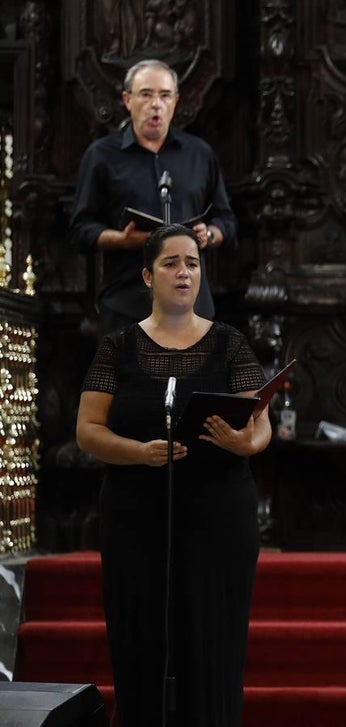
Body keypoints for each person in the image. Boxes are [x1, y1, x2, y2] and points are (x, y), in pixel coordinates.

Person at [75, 224, 270, 727]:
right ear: (147, 275)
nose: (184, 273)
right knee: (141, 637)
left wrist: (245, 443)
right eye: (171, 263)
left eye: (192, 264)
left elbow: (259, 422)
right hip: (137, 513)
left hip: (218, 514)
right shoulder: (117, 346)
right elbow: (88, 431)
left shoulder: (230, 343)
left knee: (214, 642)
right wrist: (139, 453)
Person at [69, 58, 237, 336]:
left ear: (175, 101)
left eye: (164, 95)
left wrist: (210, 234)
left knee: (196, 381)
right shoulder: (101, 156)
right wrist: (122, 240)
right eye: (146, 94)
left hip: (192, 309)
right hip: (127, 305)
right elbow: (80, 230)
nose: (155, 104)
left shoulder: (199, 154)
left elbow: (227, 220)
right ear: (127, 99)